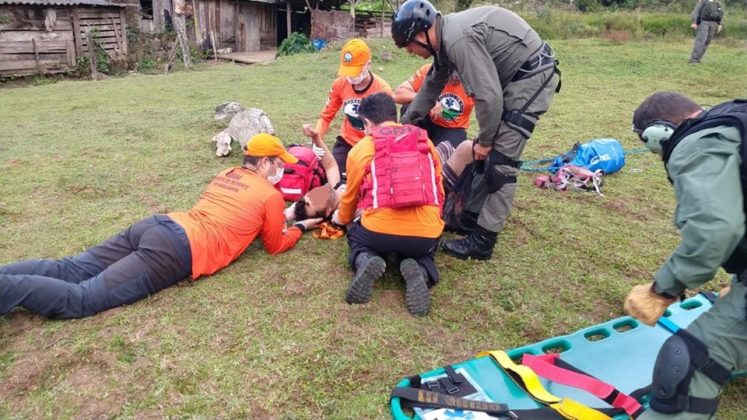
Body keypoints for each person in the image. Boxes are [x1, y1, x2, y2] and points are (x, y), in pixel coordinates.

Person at [0, 134, 322, 319]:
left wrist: (284, 217)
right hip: (176, 250)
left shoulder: (226, 174)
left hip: (161, 224)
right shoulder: (269, 195)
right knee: (83, 298)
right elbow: (275, 244)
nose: (281, 170)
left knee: (69, 268)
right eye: (279, 164)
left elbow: (238, 215)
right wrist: (300, 226)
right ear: (264, 162)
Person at [391, 0, 561, 261]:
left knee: (500, 163)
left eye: (409, 45)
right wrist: (403, 128)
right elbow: (431, 86)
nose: (410, 52)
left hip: (530, 78)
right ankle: (470, 219)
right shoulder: (445, 42)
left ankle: (483, 241)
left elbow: (488, 97)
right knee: (485, 155)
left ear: (421, 35)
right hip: (511, 80)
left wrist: (486, 141)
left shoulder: (457, 40)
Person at [625, 92, 747, 419]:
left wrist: (662, 290)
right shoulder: (735, 121)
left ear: (657, 134)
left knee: (688, 362)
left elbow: (714, 231)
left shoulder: (697, 144)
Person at [331, 93, 444, 316]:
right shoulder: (425, 141)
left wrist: (341, 219)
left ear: (367, 122)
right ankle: (421, 269)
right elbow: (439, 188)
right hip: (424, 234)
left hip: (378, 232)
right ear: (394, 116)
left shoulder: (361, 148)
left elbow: (350, 198)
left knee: (357, 238)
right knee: (425, 250)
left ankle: (365, 259)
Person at [304, 38, 393, 180]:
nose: (351, 76)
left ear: (368, 64)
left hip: (373, 145)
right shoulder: (340, 84)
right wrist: (317, 139)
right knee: (333, 178)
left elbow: (387, 130)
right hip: (347, 143)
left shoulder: (382, 90)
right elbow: (326, 116)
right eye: (348, 71)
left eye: (355, 71)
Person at [393, 63, 474, 147]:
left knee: (448, 150)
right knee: (409, 106)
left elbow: (483, 109)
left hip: (452, 129)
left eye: (459, 75)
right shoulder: (431, 70)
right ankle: (408, 146)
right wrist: (428, 100)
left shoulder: (475, 81)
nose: (455, 78)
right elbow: (397, 95)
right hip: (426, 119)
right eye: (451, 73)